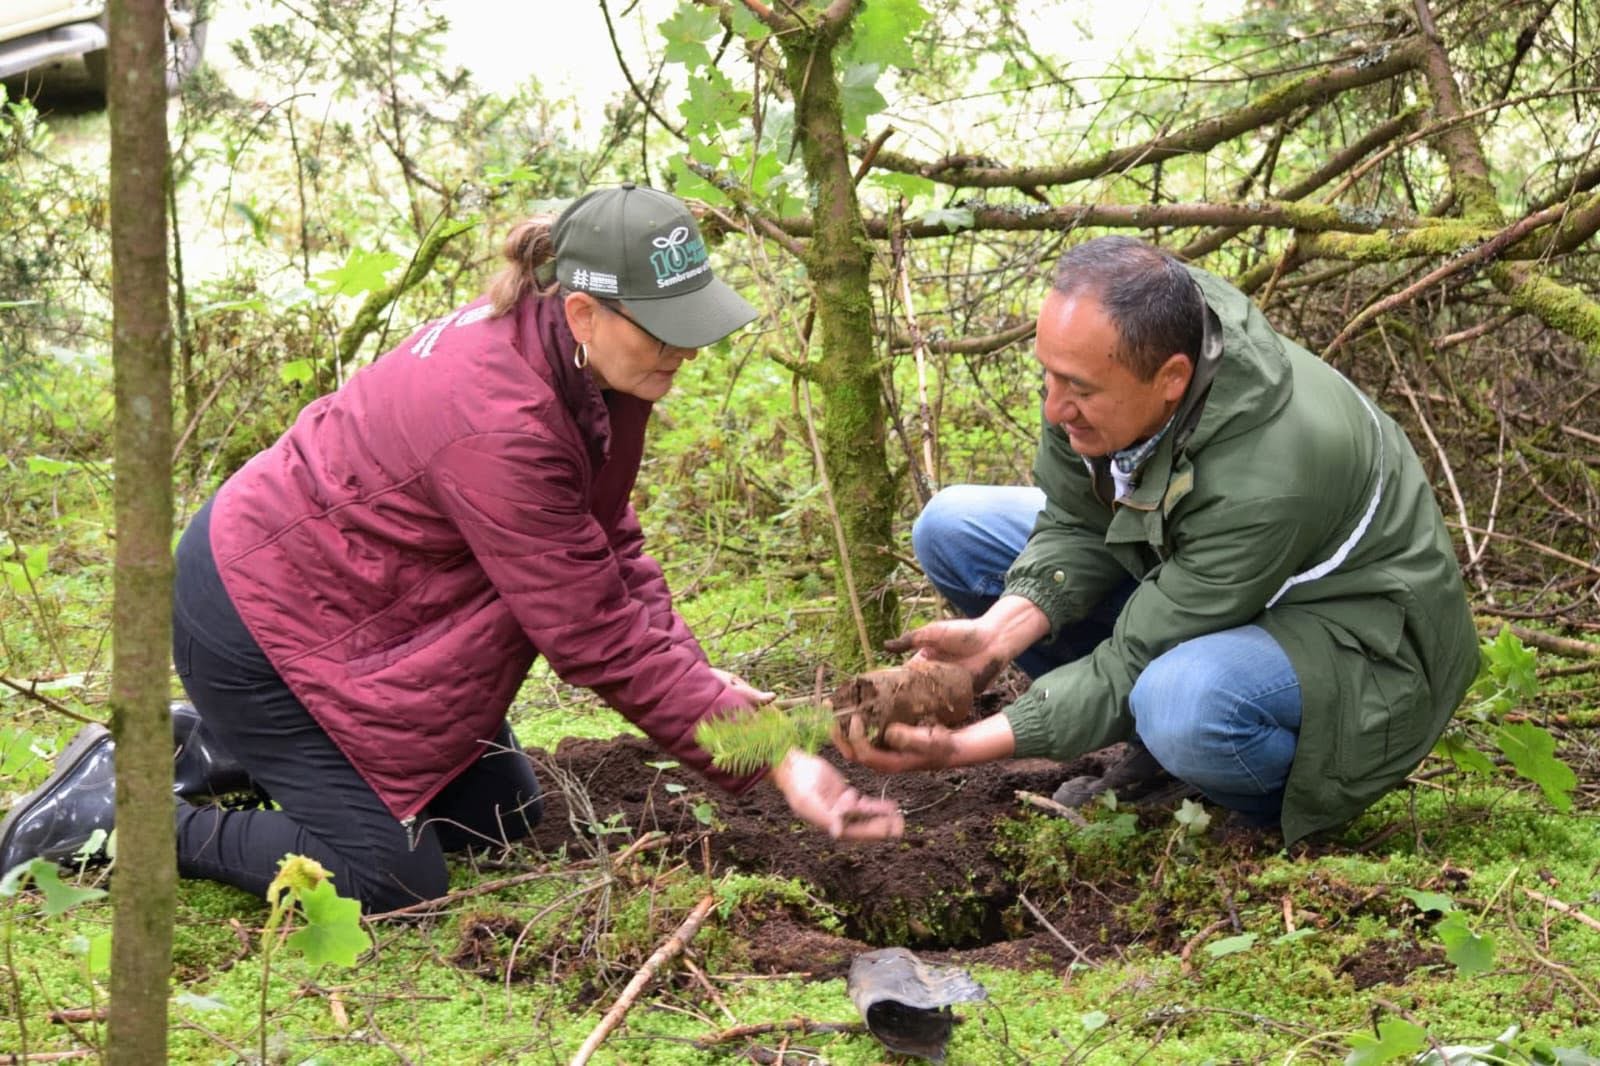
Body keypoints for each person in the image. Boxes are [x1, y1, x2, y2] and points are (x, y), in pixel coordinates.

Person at [0, 183, 903, 909]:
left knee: (497, 816)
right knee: (389, 879)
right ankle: (114, 818)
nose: (687, 350)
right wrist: (766, 748)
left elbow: (606, 540)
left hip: (358, 613)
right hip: (256, 621)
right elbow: (591, 633)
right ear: (585, 310)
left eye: (693, 321)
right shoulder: (501, 416)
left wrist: (702, 682)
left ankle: (211, 747)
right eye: (666, 328)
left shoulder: (590, 365)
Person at [836, 236, 1479, 842]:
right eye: (1048, 377)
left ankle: (1253, 796)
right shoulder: (1123, 355)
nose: (1054, 408)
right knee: (954, 527)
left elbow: (1136, 659)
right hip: (1207, 582)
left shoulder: (1271, 474)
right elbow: (1075, 520)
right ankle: (1158, 752)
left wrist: (962, 747)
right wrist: (995, 637)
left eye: (1078, 390)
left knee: (1177, 701)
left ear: (1170, 379)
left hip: (1358, 638)